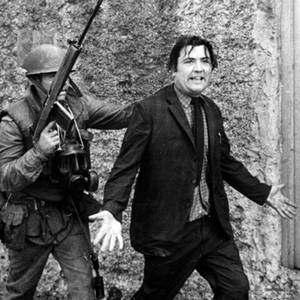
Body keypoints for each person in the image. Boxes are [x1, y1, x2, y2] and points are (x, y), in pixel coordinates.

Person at [90, 35, 297, 300]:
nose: (198, 68)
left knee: (235, 289)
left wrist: (263, 192)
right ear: (173, 69)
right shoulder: (148, 110)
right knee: (155, 295)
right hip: (170, 232)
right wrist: (111, 210)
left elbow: (224, 162)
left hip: (211, 228)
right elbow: (124, 169)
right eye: (189, 61)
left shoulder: (211, 110)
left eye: (205, 61)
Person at [0, 44, 132, 300]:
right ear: (35, 80)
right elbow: (5, 178)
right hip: (29, 220)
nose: (63, 84)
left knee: (84, 288)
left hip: (67, 213)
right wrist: (39, 152)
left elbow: (125, 115)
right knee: (19, 292)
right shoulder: (13, 120)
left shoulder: (77, 106)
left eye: (65, 75)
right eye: (53, 76)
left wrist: (164, 100)